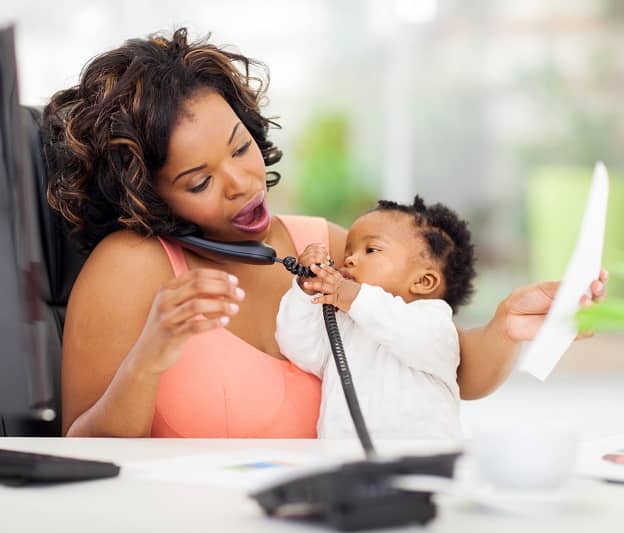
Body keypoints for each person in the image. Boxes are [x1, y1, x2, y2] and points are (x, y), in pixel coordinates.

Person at [43, 28, 608, 438]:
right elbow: (82, 454)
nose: (242, 182)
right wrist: (150, 357)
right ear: (150, 196)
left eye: (241, 147)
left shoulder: (338, 250)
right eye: (199, 181)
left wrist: (508, 326)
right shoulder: (131, 268)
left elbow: (446, 364)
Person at [276, 196, 475, 440]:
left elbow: (410, 335)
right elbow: (299, 346)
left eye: (371, 250)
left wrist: (356, 298)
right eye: (348, 252)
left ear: (423, 281)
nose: (348, 259)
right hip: (344, 458)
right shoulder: (345, 322)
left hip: (422, 458)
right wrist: (305, 289)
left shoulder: (434, 323)